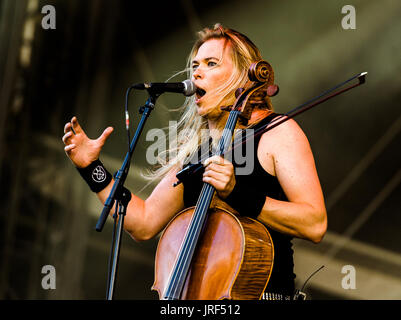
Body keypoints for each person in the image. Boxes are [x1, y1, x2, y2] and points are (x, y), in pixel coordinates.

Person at [62, 24, 327, 300]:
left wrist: (237, 193)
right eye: (195, 65)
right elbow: (144, 222)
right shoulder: (196, 153)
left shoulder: (277, 132)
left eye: (211, 63)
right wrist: (91, 167)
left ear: (242, 76)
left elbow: (315, 224)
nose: (197, 72)